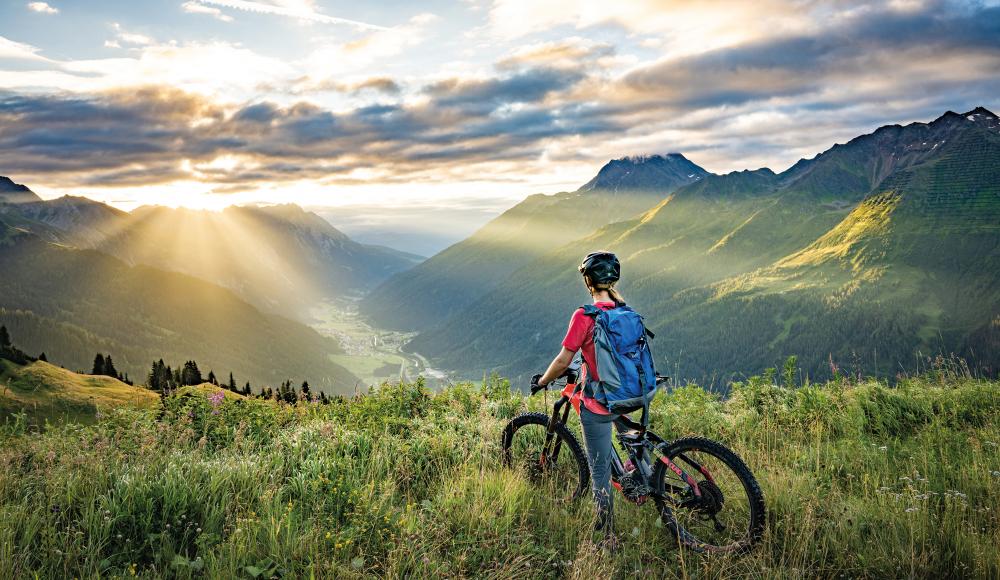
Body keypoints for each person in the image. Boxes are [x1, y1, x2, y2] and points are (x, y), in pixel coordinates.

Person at [531, 251, 627, 547]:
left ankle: (607, 536)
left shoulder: (585, 315)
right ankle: (647, 476)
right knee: (633, 446)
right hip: (631, 393)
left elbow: (563, 360)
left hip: (601, 402)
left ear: (588, 281)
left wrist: (543, 381)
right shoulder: (624, 311)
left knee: (600, 471)